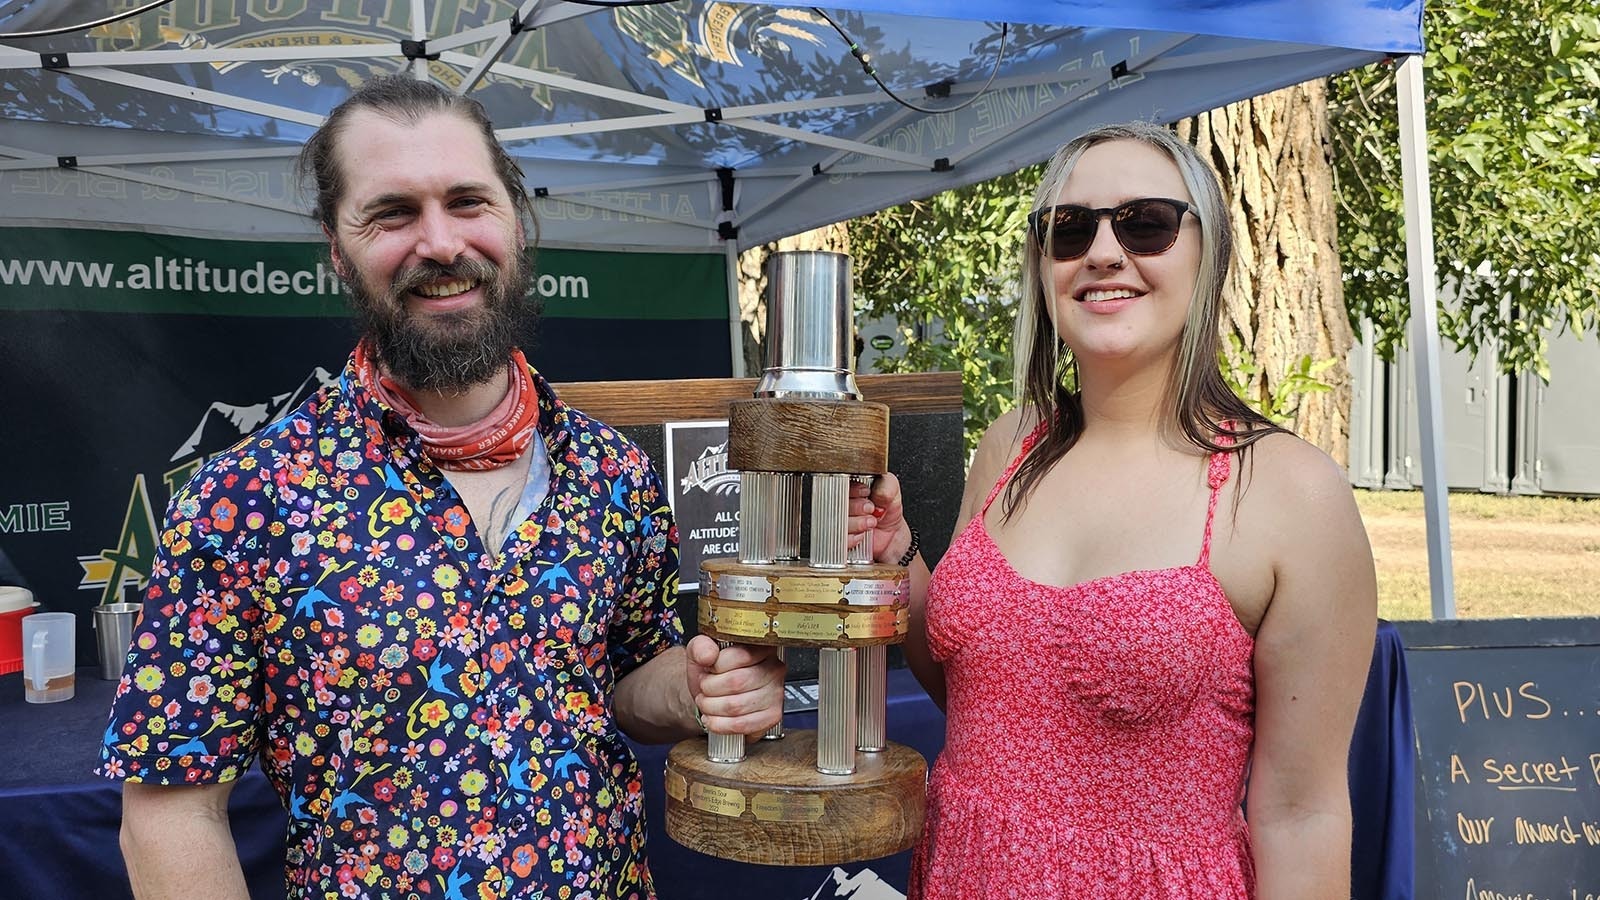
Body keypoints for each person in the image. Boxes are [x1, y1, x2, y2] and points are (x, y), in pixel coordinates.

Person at [99, 75, 784, 900]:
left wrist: (692, 687)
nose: (441, 243)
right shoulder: (239, 502)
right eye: (391, 213)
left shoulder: (614, 474)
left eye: (468, 201)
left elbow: (622, 684)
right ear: (335, 246)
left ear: (517, 222)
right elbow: (171, 813)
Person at [851, 122, 1377, 897]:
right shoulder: (1011, 447)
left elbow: (1303, 814)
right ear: (1042, 265)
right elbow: (979, 689)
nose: (1102, 252)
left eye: (1146, 224)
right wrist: (900, 559)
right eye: (1069, 230)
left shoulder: (1288, 492)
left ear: (1210, 254)